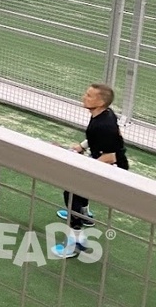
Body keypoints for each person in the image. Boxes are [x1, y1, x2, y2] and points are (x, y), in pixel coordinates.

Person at [51, 83, 129, 259]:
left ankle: (75, 242)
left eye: (89, 95)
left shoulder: (103, 125)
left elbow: (111, 157)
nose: (84, 97)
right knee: (79, 188)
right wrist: (82, 147)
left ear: (101, 102)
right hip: (107, 162)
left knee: (71, 191)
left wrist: (86, 167)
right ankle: (85, 215)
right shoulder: (105, 115)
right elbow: (115, 138)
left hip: (113, 169)